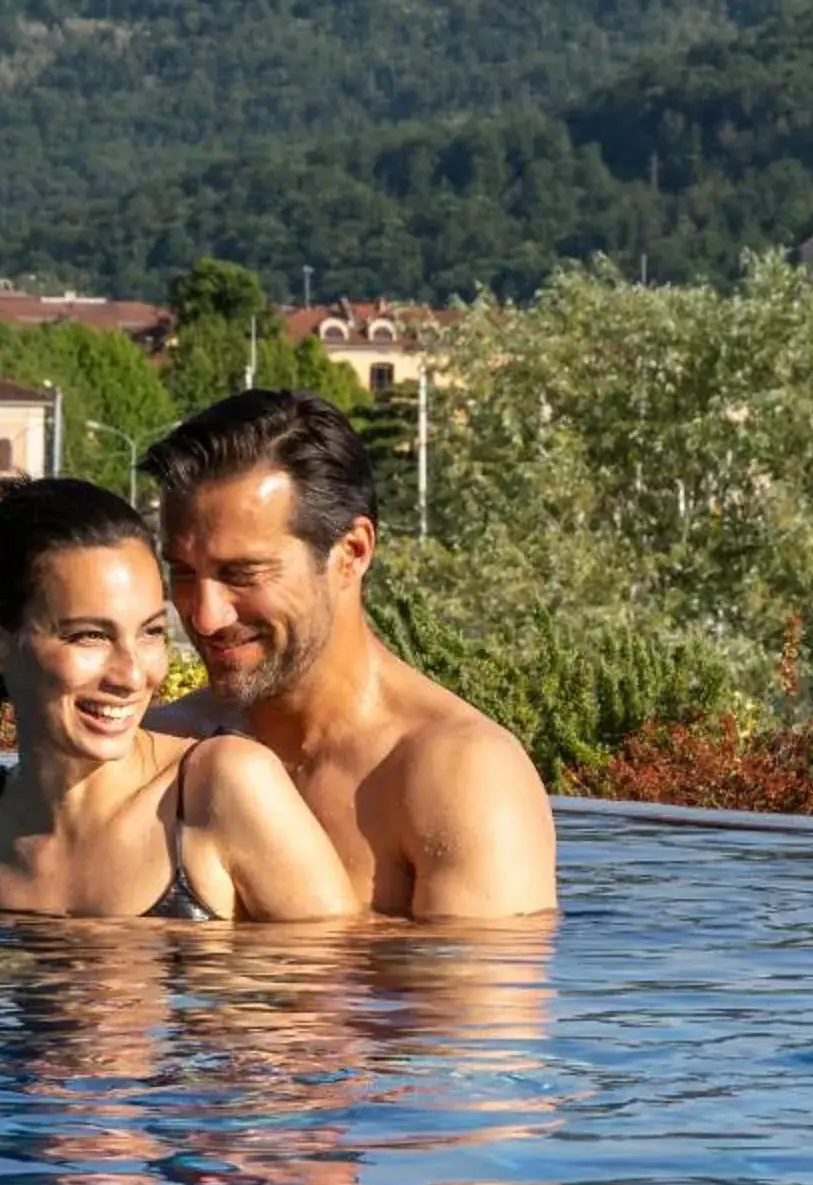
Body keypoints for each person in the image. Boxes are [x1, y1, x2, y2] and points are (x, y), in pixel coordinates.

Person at [144, 390, 558, 920]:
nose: (203, 616)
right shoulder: (164, 745)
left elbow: (475, 1000)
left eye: (242, 574)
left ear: (351, 553)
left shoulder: (458, 778)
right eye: (182, 572)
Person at [0, 476, 360, 922]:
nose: (131, 675)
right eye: (90, 636)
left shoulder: (220, 788)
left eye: (151, 632)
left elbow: (338, 977)